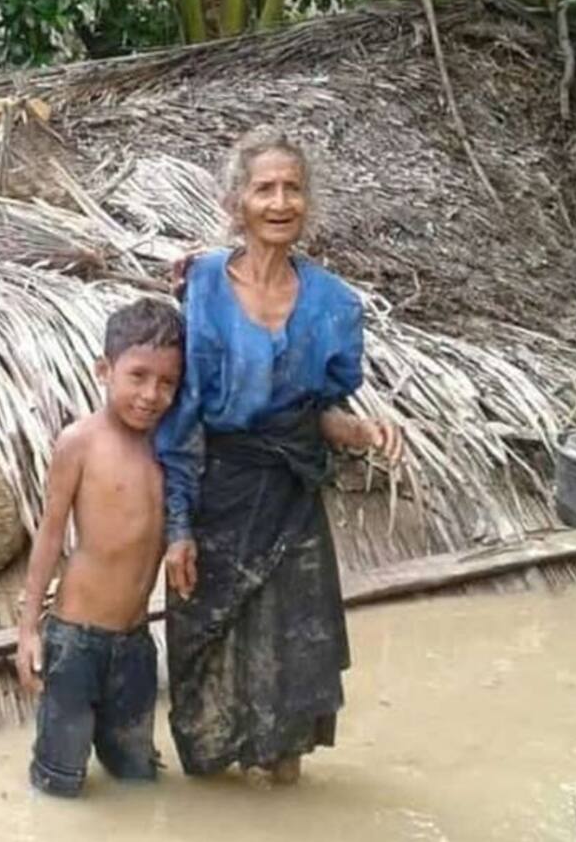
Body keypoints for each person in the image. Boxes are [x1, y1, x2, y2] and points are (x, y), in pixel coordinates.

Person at [156, 125, 402, 784]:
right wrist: (177, 528)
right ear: (238, 202)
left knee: (295, 663)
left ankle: (284, 801)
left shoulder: (333, 305)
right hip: (216, 496)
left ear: (308, 203)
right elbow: (182, 421)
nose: (280, 201)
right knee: (203, 664)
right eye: (264, 188)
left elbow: (317, 415)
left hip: (292, 502)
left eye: (293, 188)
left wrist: (362, 431)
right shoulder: (201, 284)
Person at [16, 297, 184, 797]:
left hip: (135, 644)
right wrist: (28, 630)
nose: (151, 394)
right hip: (75, 642)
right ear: (104, 371)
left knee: (137, 778)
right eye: (138, 376)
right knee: (59, 784)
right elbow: (49, 535)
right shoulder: (80, 442)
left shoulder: (173, 446)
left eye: (167, 382)